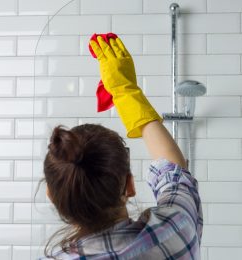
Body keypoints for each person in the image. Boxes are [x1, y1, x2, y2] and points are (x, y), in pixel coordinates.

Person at [39, 36, 203, 260]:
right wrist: (127, 92)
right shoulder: (174, 230)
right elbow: (175, 175)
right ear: (129, 185)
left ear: (51, 196)